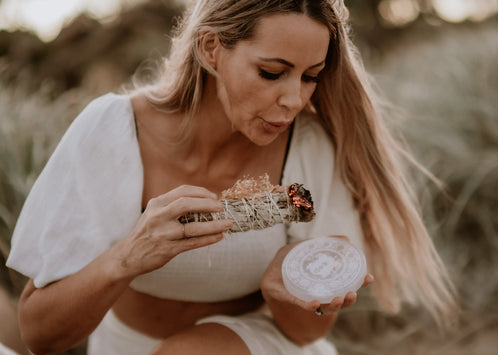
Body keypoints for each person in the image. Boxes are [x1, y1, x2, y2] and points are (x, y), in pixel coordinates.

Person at [6, 0, 459, 354]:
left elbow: (305, 333)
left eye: (310, 77)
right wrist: (128, 256)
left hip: (258, 344)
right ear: (210, 49)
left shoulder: (307, 154)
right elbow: (40, 333)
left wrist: (284, 290)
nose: (294, 100)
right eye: (272, 73)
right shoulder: (111, 133)